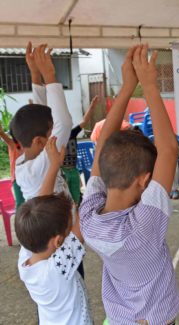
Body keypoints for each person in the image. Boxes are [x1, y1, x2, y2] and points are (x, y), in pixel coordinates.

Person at [79, 45, 179, 324]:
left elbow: (101, 148)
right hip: (158, 319)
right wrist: (147, 84)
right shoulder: (143, 226)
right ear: (144, 180)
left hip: (121, 318)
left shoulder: (89, 219)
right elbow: (170, 150)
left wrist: (129, 87)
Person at [16, 136, 92, 325]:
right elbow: (84, 220)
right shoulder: (57, 268)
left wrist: (54, 165)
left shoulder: (27, 258)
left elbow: (39, 206)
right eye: (69, 228)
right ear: (58, 242)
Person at [11, 42, 73, 201]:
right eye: (51, 132)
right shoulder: (36, 169)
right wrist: (50, 76)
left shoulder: (27, 162)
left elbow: (42, 115)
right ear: (38, 141)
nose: (55, 135)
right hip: (62, 225)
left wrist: (36, 74)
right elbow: (64, 124)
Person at [61, 95, 100, 204]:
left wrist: (92, 106)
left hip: (73, 170)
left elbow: (84, 121)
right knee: (65, 199)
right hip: (62, 171)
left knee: (76, 198)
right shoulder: (55, 137)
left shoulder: (72, 133)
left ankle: (76, 213)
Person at [0, 126, 24, 208]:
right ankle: (19, 220)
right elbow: (5, 137)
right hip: (17, 178)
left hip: (27, 176)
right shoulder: (13, 144)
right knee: (20, 203)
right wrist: (2, 133)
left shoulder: (27, 144)